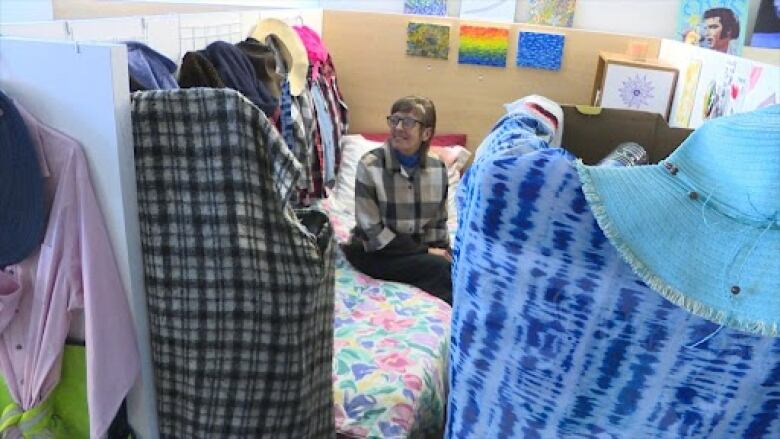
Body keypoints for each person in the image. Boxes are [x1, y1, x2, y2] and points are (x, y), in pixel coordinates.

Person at [341, 96, 452, 304]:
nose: (398, 128)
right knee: (441, 271)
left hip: (415, 254)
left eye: (408, 122)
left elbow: (438, 224)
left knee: (459, 266)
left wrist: (442, 251)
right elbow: (373, 234)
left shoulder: (437, 169)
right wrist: (426, 252)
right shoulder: (370, 165)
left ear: (426, 133)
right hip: (374, 253)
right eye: (394, 120)